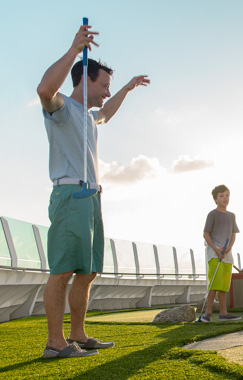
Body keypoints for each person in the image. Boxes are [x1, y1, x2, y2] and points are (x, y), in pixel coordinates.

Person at [37, 23, 149, 358]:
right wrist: (74, 49)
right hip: (70, 197)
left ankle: (78, 334)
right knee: (63, 272)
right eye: (104, 86)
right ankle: (55, 344)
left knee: (88, 271)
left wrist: (127, 89)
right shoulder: (62, 109)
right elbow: (44, 90)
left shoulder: (88, 116)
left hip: (92, 199)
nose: (106, 92)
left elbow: (107, 115)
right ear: (85, 80)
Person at [198, 185, 241, 322]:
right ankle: (207, 313)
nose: (225, 198)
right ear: (215, 199)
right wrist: (216, 249)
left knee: (223, 285)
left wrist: (229, 247)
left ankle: (224, 313)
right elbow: (206, 234)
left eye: (227, 195)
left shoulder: (231, 216)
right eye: (221, 196)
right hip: (214, 253)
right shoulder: (212, 214)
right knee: (214, 284)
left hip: (227, 254)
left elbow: (234, 235)